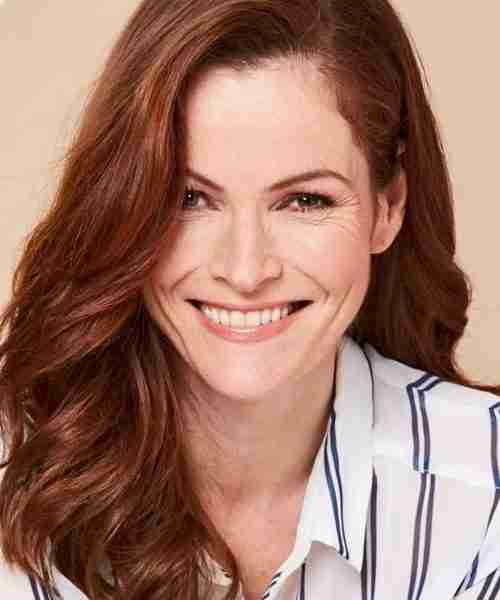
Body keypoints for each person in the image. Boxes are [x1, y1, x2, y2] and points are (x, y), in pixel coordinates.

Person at [0, 0, 499, 599]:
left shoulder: (486, 499)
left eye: (305, 201)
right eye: (189, 198)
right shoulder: (15, 475)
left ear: (387, 208)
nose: (245, 271)